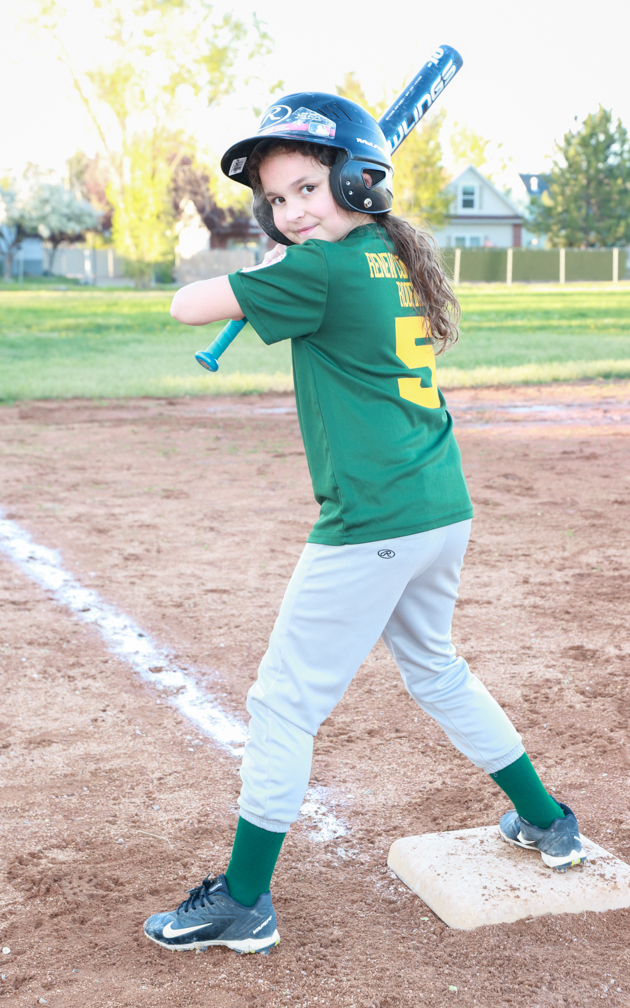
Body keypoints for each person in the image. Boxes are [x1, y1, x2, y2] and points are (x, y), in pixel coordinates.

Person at [143, 93, 584, 955]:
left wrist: (271, 268)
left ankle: (244, 900)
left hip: (372, 523)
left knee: (282, 705)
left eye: (309, 189)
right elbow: (316, 276)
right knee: (436, 669)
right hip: (437, 509)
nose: (291, 211)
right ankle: (546, 820)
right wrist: (287, 257)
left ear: (359, 183)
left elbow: (185, 307)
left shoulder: (320, 271)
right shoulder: (386, 253)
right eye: (277, 199)